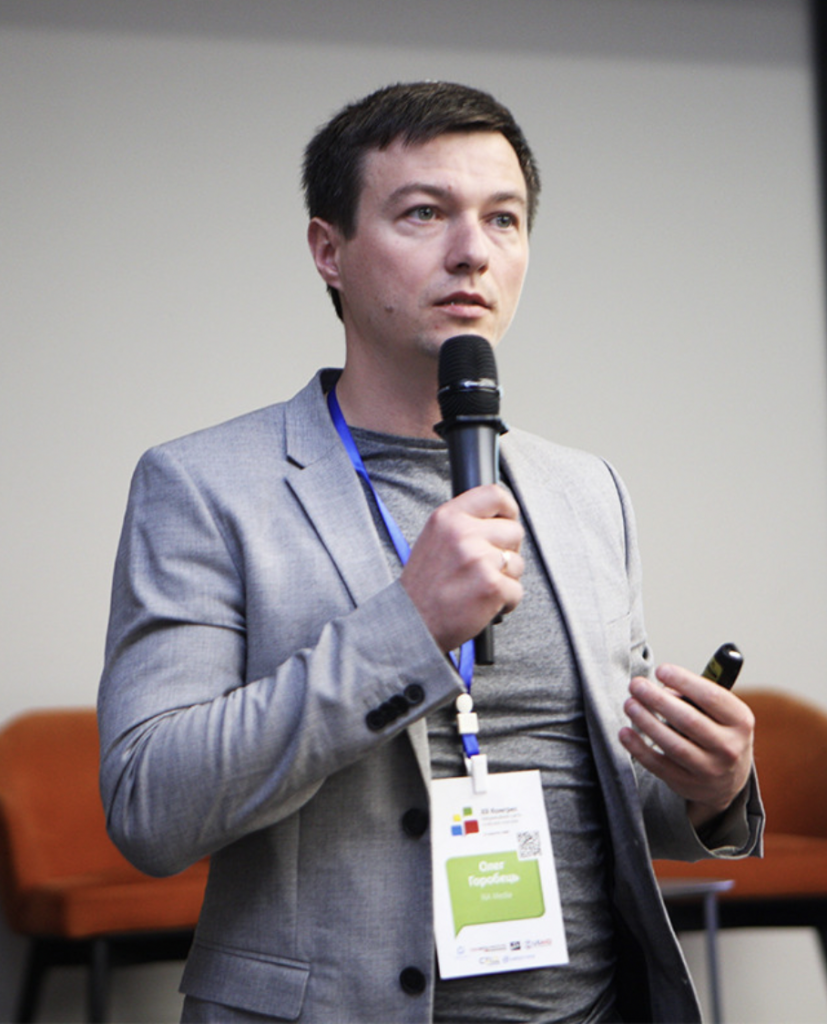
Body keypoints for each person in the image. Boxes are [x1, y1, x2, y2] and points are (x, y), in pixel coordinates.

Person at [98, 81, 763, 1024]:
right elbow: (150, 807)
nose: (472, 251)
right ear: (329, 250)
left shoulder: (587, 492)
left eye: (504, 218)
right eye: (424, 213)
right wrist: (406, 630)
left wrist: (710, 789)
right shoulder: (204, 486)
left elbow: (602, 797)